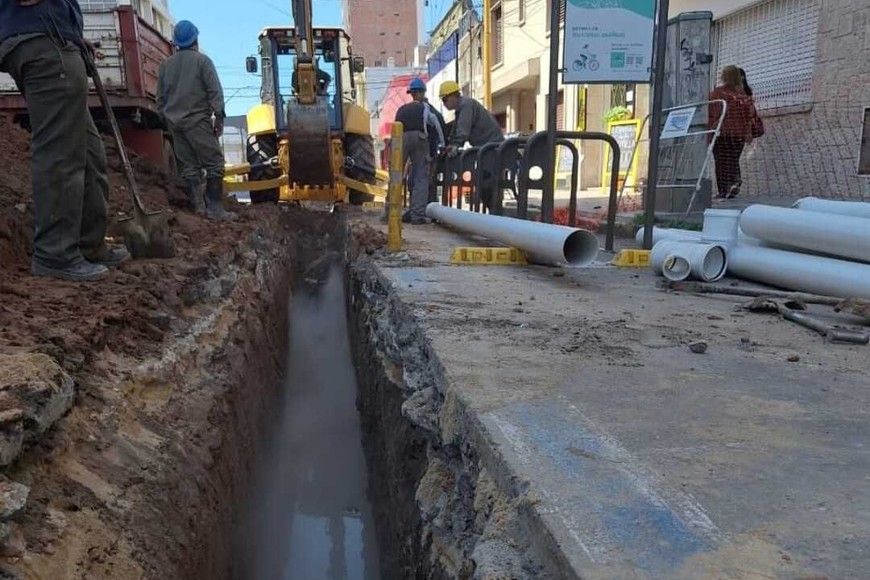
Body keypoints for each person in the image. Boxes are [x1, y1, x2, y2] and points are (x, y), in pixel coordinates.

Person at [0, 0, 130, 282]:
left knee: (89, 152)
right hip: (44, 44)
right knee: (61, 153)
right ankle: (55, 254)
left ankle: (88, 244)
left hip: (52, 38)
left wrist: (71, 32)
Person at [157, 20, 235, 220]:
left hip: (175, 123)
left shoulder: (166, 65)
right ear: (195, 40)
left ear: (176, 42)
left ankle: (198, 207)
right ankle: (215, 208)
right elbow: (214, 92)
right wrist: (219, 119)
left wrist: (166, 118)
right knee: (214, 163)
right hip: (197, 121)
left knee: (189, 166)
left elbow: (160, 98)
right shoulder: (202, 62)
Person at [438, 81, 504, 209]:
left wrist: (456, 145)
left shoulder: (466, 105)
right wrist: (450, 143)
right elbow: (456, 130)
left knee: (487, 183)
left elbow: (463, 129)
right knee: (483, 183)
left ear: (453, 96)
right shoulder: (461, 108)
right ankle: (493, 213)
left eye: (445, 99)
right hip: (487, 149)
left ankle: (495, 214)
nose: (444, 103)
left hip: (492, 149)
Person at [391, 77, 445, 224]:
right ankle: (417, 215)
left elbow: (394, 130)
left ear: (411, 93)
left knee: (395, 175)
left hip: (400, 138)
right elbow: (436, 126)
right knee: (422, 176)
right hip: (421, 139)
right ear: (422, 93)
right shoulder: (425, 108)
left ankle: (390, 212)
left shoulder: (401, 110)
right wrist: (443, 144)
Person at [709, 65, 754, 199]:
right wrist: (748, 132)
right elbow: (749, 115)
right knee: (733, 159)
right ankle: (734, 181)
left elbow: (713, 110)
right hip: (739, 134)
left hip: (722, 132)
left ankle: (724, 190)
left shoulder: (719, 92)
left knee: (721, 161)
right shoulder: (744, 95)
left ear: (724, 77)